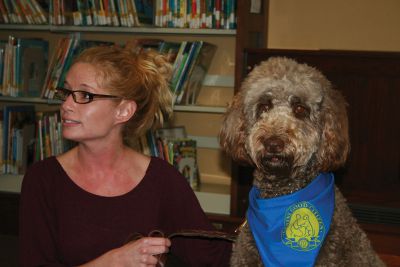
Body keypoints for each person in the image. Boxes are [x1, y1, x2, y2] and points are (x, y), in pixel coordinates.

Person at [19, 45, 232, 266]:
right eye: (66, 93)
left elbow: (214, 257)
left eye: (84, 95)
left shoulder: (162, 180)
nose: (66, 105)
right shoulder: (44, 179)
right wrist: (112, 262)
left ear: (123, 111)